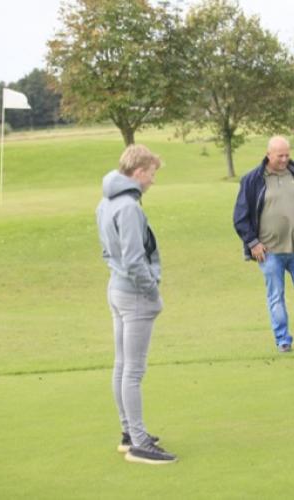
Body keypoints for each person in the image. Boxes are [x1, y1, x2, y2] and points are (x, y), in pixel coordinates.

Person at [96, 144, 177, 465]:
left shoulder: (105, 202)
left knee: (122, 365)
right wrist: (151, 292)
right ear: (139, 172)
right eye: (152, 173)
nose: (153, 180)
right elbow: (133, 259)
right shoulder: (129, 207)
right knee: (133, 371)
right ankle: (139, 444)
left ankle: (129, 433)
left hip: (116, 289)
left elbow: (108, 254)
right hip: (134, 295)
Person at [233, 136, 294, 353]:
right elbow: (240, 217)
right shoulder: (252, 180)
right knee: (276, 297)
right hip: (269, 252)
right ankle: (283, 341)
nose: (285, 159)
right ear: (268, 154)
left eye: (287, 155)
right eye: (280, 156)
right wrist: (253, 243)